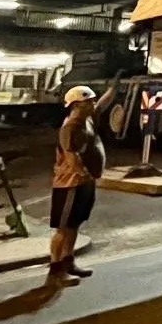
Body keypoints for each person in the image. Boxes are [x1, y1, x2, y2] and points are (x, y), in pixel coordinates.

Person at [49, 74, 119, 287]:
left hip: (84, 182)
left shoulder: (87, 119)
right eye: (89, 101)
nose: (93, 104)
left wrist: (113, 88)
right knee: (63, 228)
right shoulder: (70, 128)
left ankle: (69, 262)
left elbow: (103, 104)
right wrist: (89, 174)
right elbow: (72, 161)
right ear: (77, 105)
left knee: (75, 225)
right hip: (69, 183)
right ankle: (56, 269)